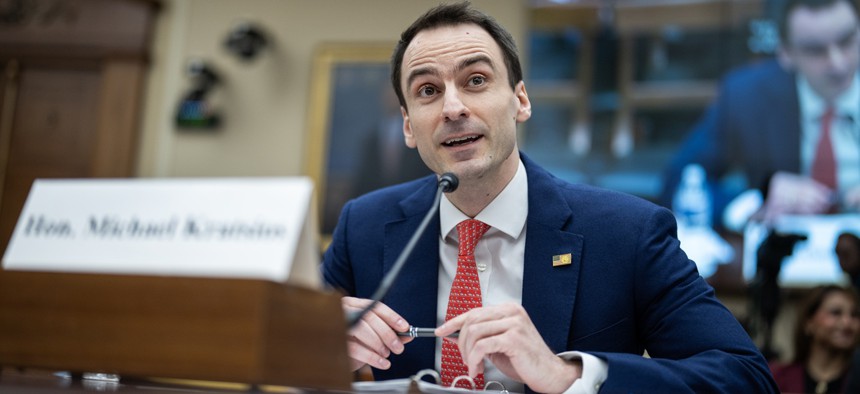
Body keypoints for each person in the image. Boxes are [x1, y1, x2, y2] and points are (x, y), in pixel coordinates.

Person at [322, 3, 777, 393]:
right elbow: (289, 364)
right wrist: (314, 346)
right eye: (428, 91)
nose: (453, 108)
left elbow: (746, 378)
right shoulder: (363, 226)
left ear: (520, 101)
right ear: (408, 126)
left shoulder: (627, 233)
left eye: (476, 80)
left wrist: (567, 375)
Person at [660, 0, 860, 227]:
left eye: (846, 41)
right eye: (815, 50)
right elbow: (677, 183)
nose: (838, 63)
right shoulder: (747, 95)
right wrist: (757, 201)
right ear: (785, 53)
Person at [770, 285, 860, 393]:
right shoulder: (777, 377)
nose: (847, 322)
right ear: (809, 322)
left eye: (855, 315)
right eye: (835, 312)